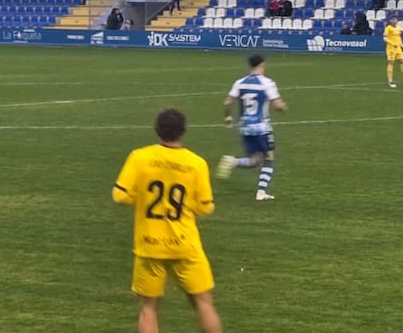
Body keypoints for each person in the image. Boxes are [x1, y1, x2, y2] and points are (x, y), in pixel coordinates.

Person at [112, 108, 223, 333]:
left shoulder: (140, 157)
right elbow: (205, 207)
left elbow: (120, 195)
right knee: (202, 302)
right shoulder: (196, 163)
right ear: (183, 131)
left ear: (157, 130)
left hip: (149, 244)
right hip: (184, 243)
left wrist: (142, 197)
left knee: (149, 309)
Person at [216, 54, 288, 201]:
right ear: (262, 65)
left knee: (255, 160)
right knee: (269, 157)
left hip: (245, 127)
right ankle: (261, 192)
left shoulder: (240, 83)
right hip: (262, 127)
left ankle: (232, 161)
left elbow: (227, 102)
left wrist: (227, 117)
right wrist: (283, 108)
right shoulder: (267, 83)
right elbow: (278, 105)